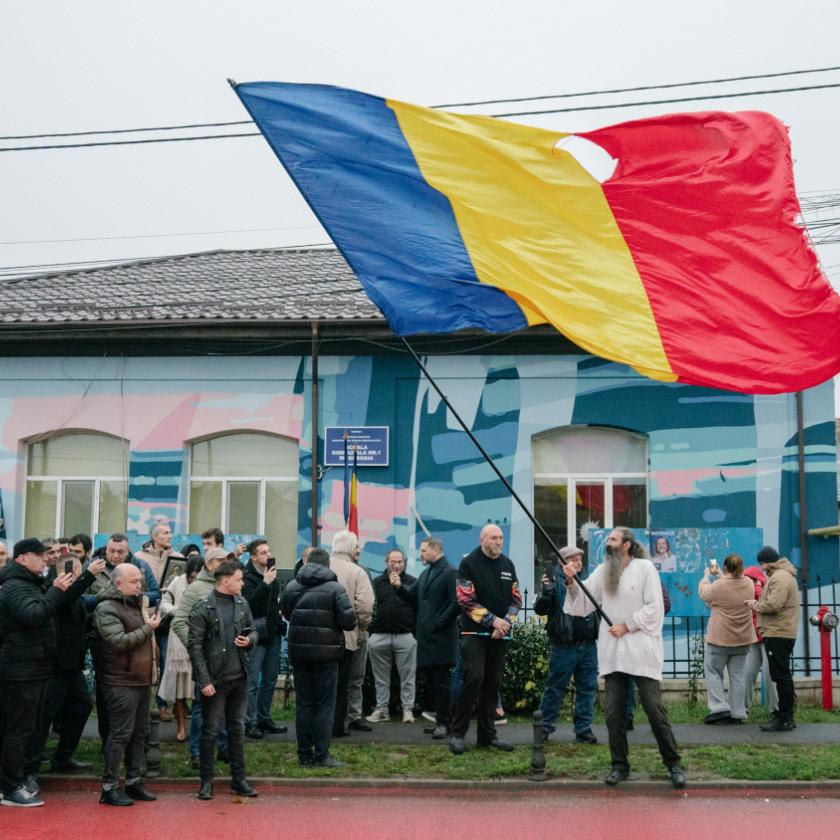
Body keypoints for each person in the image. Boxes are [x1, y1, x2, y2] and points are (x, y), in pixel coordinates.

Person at [565, 527, 685, 789]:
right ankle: (619, 765)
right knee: (613, 713)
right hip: (613, 653)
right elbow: (584, 603)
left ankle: (673, 763)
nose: (608, 543)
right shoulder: (603, 570)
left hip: (641, 650)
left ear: (627, 545)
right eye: (608, 539)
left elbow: (655, 608)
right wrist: (572, 582)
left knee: (655, 710)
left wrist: (627, 626)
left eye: (613, 539)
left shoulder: (645, 568)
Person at [0, 538, 72, 807]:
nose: (45, 559)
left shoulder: (29, 583)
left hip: (30, 666)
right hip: (20, 669)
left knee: (18, 729)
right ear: (22, 558)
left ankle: (8, 784)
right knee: (17, 730)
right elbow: (32, 616)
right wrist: (55, 591)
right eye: (39, 555)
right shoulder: (15, 586)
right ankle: (10, 788)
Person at [25, 551, 106, 776]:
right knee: (44, 716)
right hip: (55, 666)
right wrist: (88, 576)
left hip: (73, 665)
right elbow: (68, 597)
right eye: (77, 568)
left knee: (82, 706)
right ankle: (29, 768)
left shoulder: (76, 594)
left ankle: (63, 757)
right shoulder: (57, 590)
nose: (80, 570)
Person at [187, 559, 259, 801]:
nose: (242, 583)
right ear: (226, 580)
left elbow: (253, 630)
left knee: (237, 729)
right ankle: (206, 782)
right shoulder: (204, 607)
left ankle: (239, 780)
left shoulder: (241, 602)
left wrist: (250, 641)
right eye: (239, 579)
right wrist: (204, 680)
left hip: (239, 677)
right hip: (215, 681)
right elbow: (194, 647)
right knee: (211, 730)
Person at [448, 524, 521, 755]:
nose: (499, 541)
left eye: (501, 537)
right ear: (482, 540)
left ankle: (487, 737)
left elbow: (516, 599)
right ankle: (457, 734)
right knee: (474, 678)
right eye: (494, 538)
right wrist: (493, 621)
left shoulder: (508, 565)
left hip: (500, 635)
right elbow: (465, 601)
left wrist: (505, 623)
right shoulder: (468, 563)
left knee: (492, 684)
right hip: (474, 634)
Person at [281, 547, 357, 767]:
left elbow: (286, 613)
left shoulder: (292, 586)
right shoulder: (335, 588)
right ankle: (322, 755)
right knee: (325, 705)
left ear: (307, 563)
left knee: (304, 705)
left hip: (299, 653)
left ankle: (304, 755)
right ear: (327, 565)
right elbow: (349, 621)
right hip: (327, 654)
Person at [92, 563, 160, 806]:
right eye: (135, 582)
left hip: (141, 680)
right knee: (120, 734)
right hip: (120, 681)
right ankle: (109, 787)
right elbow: (119, 642)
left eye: (140, 581)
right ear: (119, 583)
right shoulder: (106, 608)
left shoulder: (135, 604)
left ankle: (133, 781)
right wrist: (148, 628)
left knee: (139, 734)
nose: (140, 586)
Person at [171, 546, 230, 769]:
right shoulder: (196, 588)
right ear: (210, 563)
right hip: (206, 658)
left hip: (229, 658)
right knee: (201, 706)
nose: (226, 564)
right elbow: (179, 621)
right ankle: (196, 751)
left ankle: (224, 748)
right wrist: (196, 646)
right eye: (222, 560)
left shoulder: (230, 584)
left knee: (226, 704)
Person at [535, 545, 599, 744]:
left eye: (579, 559)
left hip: (588, 644)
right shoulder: (554, 581)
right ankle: (544, 728)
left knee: (587, 688)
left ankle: (583, 728)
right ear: (563, 563)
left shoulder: (590, 581)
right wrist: (546, 592)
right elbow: (540, 609)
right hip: (564, 645)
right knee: (555, 688)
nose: (578, 562)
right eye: (573, 559)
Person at [402, 537, 458, 739]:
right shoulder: (425, 574)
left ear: (436, 550)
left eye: (424, 550)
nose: (421, 554)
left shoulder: (451, 573)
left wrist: (439, 622)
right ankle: (442, 721)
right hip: (427, 638)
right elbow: (412, 597)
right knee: (434, 683)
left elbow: (456, 603)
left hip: (442, 638)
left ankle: (444, 723)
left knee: (442, 682)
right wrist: (398, 587)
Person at [698, 553, 756, 724]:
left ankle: (719, 707)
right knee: (737, 675)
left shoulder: (718, 586)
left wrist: (705, 576)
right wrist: (721, 576)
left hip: (720, 639)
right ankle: (738, 712)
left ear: (724, 567)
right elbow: (732, 585)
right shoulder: (748, 584)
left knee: (713, 671)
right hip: (742, 638)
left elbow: (704, 593)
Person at [747, 545, 800, 732]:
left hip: (778, 632)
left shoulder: (780, 577)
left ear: (768, 561)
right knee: (780, 674)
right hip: (780, 631)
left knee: (781, 675)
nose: (762, 568)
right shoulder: (783, 575)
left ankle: (784, 717)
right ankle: (783, 714)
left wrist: (755, 605)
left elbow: (774, 604)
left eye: (762, 563)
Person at [329, 530, 374, 737]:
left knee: (322, 683)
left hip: (317, 638)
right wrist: (360, 628)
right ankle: (337, 726)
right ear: (349, 548)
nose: (360, 549)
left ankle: (319, 726)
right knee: (343, 682)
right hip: (347, 637)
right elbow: (364, 607)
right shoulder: (357, 572)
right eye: (357, 545)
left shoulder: (318, 567)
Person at [242, 538, 288, 739]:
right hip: (255, 635)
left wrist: (279, 623)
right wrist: (265, 584)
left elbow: (273, 606)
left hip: (272, 633)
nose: (268, 555)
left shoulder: (273, 577)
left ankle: (263, 717)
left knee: (270, 680)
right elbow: (250, 606)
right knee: (252, 682)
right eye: (263, 552)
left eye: (268, 551)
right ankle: (249, 721)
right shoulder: (247, 577)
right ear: (253, 557)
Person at [366, 549, 418, 724]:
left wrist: (414, 634)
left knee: (408, 676)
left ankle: (407, 710)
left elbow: (418, 607)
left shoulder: (412, 582)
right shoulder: (377, 582)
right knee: (380, 678)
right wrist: (371, 632)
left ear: (404, 563)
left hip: (405, 635)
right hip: (379, 636)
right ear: (386, 562)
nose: (396, 565)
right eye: (392, 562)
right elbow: (369, 606)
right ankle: (382, 710)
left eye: (399, 562)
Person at [158, 554, 203, 741]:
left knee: (200, 686)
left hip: (200, 637)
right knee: (179, 688)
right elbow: (164, 604)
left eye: (197, 576)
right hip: (178, 639)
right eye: (192, 576)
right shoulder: (177, 581)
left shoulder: (208, 584)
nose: (194, 580)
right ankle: (181, 727)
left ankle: (199, 730)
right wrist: (179, 610)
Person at [743, 565, 778, 713]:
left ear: (755, 580)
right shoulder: (748, 590)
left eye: (747, 580)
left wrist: (756, 586)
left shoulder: (763, 588)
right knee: (747, 674)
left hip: (767, 637)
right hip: (753, 638)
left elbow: (766, 602)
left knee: (770, 675)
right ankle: (742, 709)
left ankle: (775, 710)